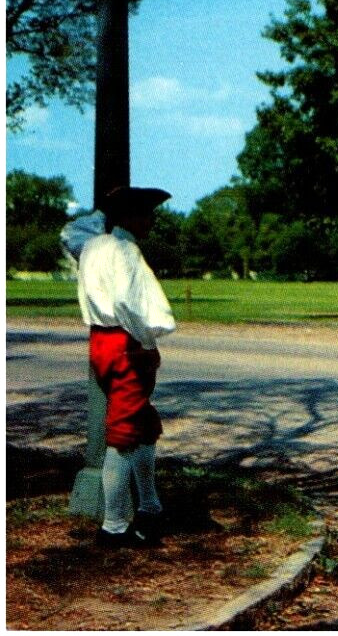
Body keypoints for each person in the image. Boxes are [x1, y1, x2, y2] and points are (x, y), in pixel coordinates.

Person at [61, 185, 176, 548]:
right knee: (124, 434)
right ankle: (113, 527)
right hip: (127, 342)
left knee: (142, 423)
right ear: (130, 217)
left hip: (101, 341)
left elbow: (70, 232)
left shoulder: (93, 245)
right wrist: (148, 345)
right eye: (146, 214)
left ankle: (150, 505)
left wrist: (105, 212)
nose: (151, 221)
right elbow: (128, 303)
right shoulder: (125, 250)